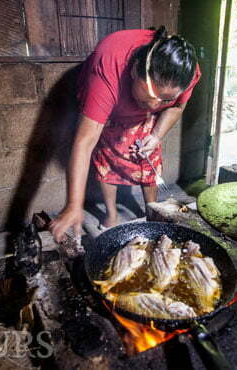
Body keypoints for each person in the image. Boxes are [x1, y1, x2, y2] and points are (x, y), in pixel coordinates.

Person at [49, 26, 201, 242]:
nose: (154, 105)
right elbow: (85, 141)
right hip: (111, 112)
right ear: (135, 69)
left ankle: (152, 213)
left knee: (148, 160)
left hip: (139, 119)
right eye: (149, 94)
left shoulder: (185, 73)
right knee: (107, 161)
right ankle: (112, 215)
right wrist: (74, 204)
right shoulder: (109, 64)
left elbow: (177, 107)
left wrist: (156, 135)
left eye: (165, 99)